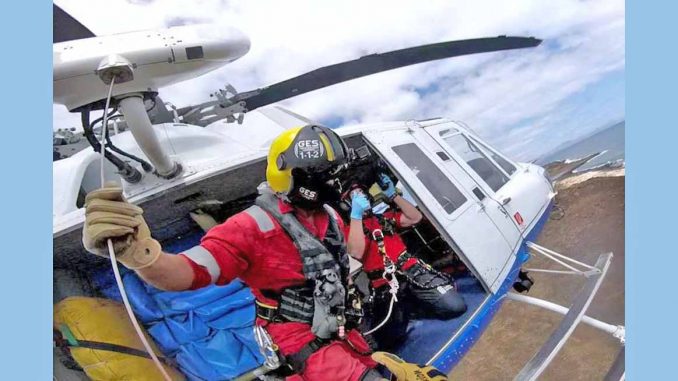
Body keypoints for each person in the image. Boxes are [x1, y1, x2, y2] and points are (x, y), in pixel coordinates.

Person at [81, 124, 448, 381]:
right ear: (298, 176)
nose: (333, 181)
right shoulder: (249, 227)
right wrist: (138, 252)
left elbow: (353, 253)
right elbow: (185, 273)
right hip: (302, 345)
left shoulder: (330, 216)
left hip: (343, 330)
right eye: (324, 173)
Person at [346, 174, 467, 348]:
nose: (361, 197)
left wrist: (393, 195)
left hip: (412, 272)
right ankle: (411, 307)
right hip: (385, 285)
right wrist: (356, 216)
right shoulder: (348, 229)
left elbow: (414, 218)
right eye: (354, 195)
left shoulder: (383, 218)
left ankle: (417, 306)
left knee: (456, 307)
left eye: (361, 193)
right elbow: (356, 251)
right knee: (389, 339)